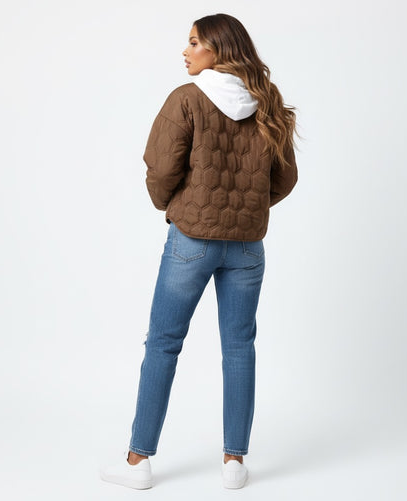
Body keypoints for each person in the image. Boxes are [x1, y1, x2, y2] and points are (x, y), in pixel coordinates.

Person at [100, 13, 298, 490]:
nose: (185, 51)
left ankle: (137, 464)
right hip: (247, 246)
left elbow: (160, 167)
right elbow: (285, 177)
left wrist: (174, 205)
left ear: (219, 49)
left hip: (191, 241)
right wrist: (247, 209)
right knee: (239, 347)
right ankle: (234, 463)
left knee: (163, 344)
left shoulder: (186, 99)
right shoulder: (267, 101)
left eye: (194, 43)